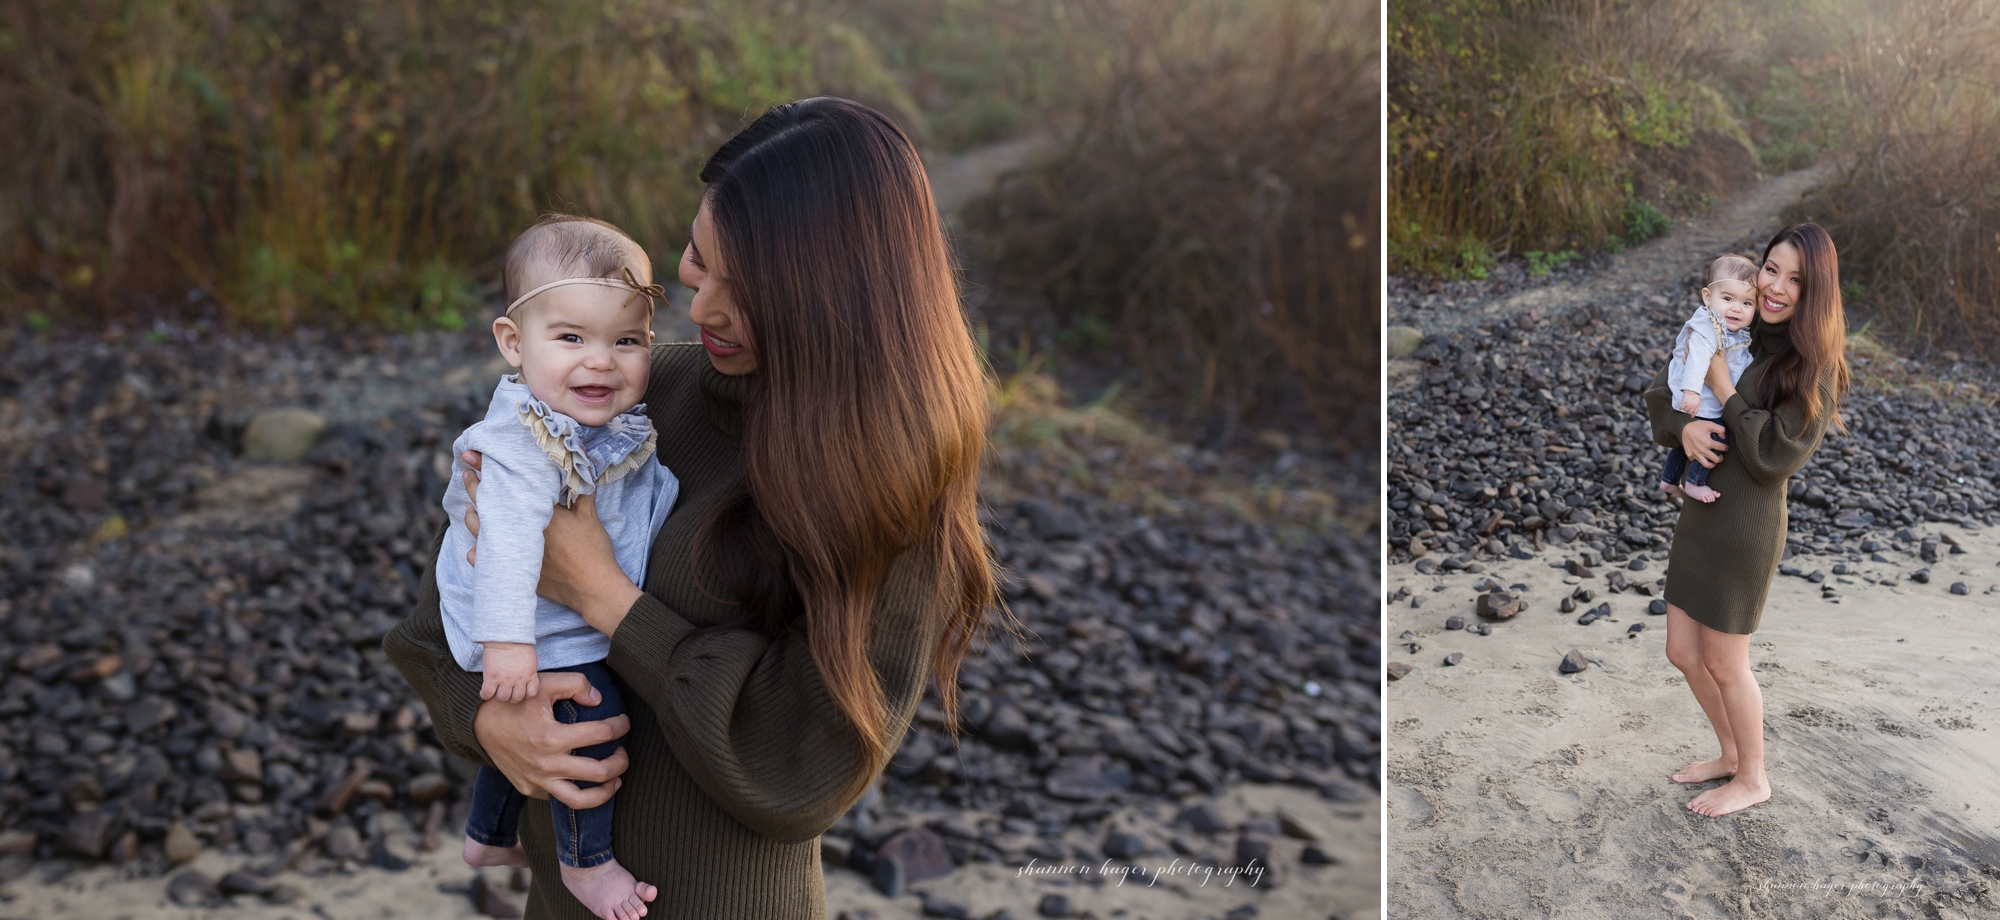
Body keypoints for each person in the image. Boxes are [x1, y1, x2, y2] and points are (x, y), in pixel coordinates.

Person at [386, 96, 997, 918]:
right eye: (698, 260)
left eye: (744, 290)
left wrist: (603, 595)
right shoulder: (626, 398)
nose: (701, 306)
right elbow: (433, 632)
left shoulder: (886, 481)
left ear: (833, 300)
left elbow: (798, 769)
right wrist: (489, 726)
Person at [438, 215, 678, 920]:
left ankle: (487, 836)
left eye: (626, 340)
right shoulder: (524, 440)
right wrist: (507, 642)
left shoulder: (598, 425)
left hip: (538, 614)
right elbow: (510, 539)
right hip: (521, 621)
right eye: (571, 338)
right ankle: (586, 863)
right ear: (513, 344)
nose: (601, 361)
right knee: (589, 712)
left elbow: (647, 501)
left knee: (537, 712)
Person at [1643, 222, 1849, 818]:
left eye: (1796, 280)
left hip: (1746, 527)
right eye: (1771, 269)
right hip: (1702, 513)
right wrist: (1683, 427)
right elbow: (1662, 389)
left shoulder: (1814, 366)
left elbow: (1772, 457)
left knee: (1726, 661)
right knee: (1683, 652)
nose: (1777, 288)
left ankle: (1754, 777)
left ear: (1818, 293)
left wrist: (1724, 389)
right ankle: (1731, 754)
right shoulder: (1730, 318)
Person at [1658, 255, 1758, 503]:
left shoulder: (1732, 331)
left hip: (1699, 396)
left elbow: (1741, 362)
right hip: (1698, 396)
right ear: (1707, 297)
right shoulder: (1708, 328)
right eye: (1728, 299)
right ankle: (1694, 482)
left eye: (1747, 303)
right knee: (1717, 435)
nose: (1736, 308)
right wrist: (1691, 391)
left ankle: (1668, 479)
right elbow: (1697, 359)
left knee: (1683, 445)